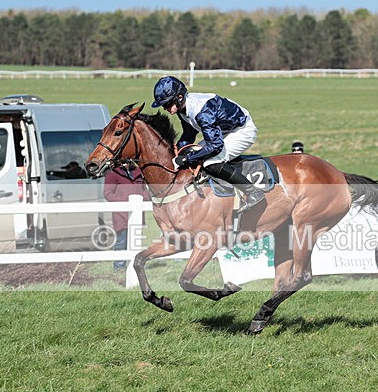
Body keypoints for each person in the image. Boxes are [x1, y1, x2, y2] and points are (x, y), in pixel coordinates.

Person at [151, 75, 264, 214]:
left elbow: (215, 146)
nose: (165, 109)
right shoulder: (182, 109)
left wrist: (188, 159)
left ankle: (252, 192)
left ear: (179, 98)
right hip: (222, 131)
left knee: (209, 163)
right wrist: (177, 151)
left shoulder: (201, 111)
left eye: (167, 104)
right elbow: (189, 134)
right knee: (190, 152)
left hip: (242, 130)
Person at [103, 163, 149, 270]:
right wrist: (124, 201)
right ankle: (119, 268)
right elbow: (107, 193)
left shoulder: (138, 171)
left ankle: (136, 266)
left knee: (137, 242)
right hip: (121, 213)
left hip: (138, 213)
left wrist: (144, 199)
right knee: (121, 242)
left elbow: (144, 190)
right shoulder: (112, 173)